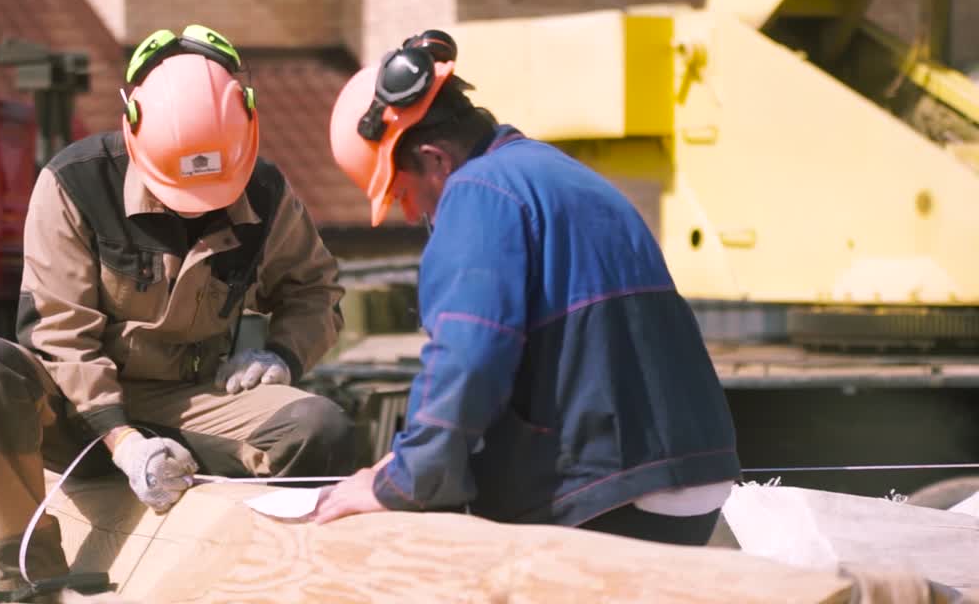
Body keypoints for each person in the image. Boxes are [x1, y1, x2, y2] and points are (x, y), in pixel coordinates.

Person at [0, 24, 354, 597]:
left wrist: (283, 354)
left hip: (188, 397)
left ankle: (274, 584)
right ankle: (28, 582)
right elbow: (62, 337)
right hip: (75, 407)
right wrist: (124, 442)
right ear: (133, 130)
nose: (194, 211)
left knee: (320, 428)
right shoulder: (74, 183)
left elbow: (313, 289)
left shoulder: (264, 189)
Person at [316, 29, 740, 545]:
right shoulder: (557, 174)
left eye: (403, 192)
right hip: (685, 475)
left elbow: (468, 356)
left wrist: (402, 482)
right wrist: (412, 457)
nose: (412, 213)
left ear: (434, 158)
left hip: (603, 491)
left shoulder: (477, 192)